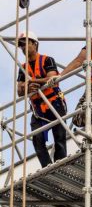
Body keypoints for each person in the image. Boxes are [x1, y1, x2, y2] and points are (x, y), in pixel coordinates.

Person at [17, 31, 67, 168]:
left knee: (60, 138)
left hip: (54, 103)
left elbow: (53, 79)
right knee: (37, 140)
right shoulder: (23, 68)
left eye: (25, 44)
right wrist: (28, 87)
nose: (22, 48)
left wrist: (34, 81)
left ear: (34, 44)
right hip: (38, 108)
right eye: (20, 46)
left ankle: (60, 167)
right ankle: (47, 167)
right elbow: (19, 91)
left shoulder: (47, 60)